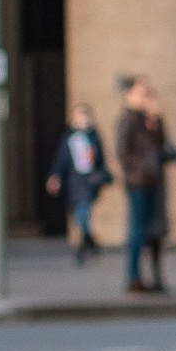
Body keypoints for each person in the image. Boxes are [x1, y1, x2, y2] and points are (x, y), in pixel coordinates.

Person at [113, 75, 172, 296]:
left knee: (155, 230)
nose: (145, 97)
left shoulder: (148, 119)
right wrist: (139, 170)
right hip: (139, 182)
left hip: (154, 181)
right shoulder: (127, 119)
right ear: (130, 95)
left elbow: (162, 144)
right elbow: (122, 151)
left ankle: (155, 278)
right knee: (137, 230)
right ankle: (133, 277)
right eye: (141, 93)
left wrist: (157, 120)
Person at [46, 103, 111, 264]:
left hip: (89, 180)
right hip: (75, 180)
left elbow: (101, 158)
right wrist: (55, 176)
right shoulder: (68, 138)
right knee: (78, 214)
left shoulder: (93, 136)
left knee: (83, 213)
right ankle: (90, 243)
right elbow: (61, 160)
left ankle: (82, 249)